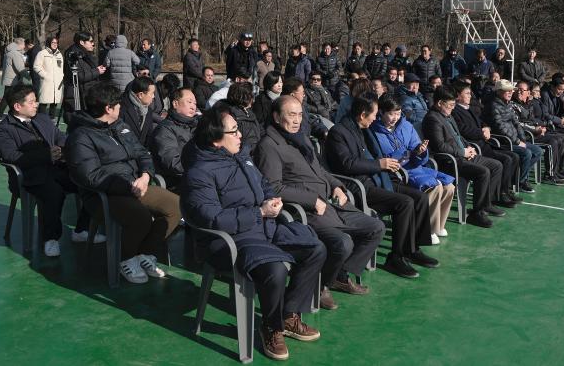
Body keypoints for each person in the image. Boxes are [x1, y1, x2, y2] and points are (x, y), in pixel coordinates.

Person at [181, 105, 325, 360]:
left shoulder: (242, 157)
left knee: (314, 248)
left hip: (264, 228)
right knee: (275, 268)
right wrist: (259, 213)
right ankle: (270, 327)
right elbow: (212, 219)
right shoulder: (199, 173)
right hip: (230, 242)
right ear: (216, 141)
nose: (240, 136)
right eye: (234, 131)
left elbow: (265, 184)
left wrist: (272, 201)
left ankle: (288, 315)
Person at [255, 95, 385, 308]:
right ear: (277, 117)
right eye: (291, 115)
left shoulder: (302, 138)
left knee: (376, 227)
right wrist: (311, 200)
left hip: (330, 202)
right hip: (306, 212)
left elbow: (320, 170)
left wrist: (336, 185)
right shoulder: (269, 146)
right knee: (343, 242)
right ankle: (322, 284)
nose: (297, 120)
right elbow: (273, 187)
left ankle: (338, 276)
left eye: (299, 114)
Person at [66, 82, 181, 283]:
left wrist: (145, 175)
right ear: (108, 109)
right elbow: (90, 176)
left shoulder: (120, 126)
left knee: (176, 206)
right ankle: (125, 259)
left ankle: (144, 253)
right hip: (105, 195)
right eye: (118, 105)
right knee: (141, 217)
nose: (121, 108)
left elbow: (142, 153)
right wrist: (129, 187)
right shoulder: (81, 136)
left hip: (136, 184)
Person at [325, 96, 441, 277]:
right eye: (373, 114)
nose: (375, 118)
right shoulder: (339, 133)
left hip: (377, 179)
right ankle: (395, 257)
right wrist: (380, 165)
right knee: (404, 203)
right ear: (362, 115)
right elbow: (347, 164)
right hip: (360, 186)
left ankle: (411, 249)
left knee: (420, 198)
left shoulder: (363, 129)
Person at [0, 86, 98, 257]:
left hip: (57, 168)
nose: (37, 104)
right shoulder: (4, 129)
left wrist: (62, 149)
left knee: (88, 182)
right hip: (29, 176)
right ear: (17, 106)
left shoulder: (42, 118)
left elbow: (59, 136)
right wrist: (46, 155)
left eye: (36, 100)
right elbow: (10, 156)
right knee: (54, 192)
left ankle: (81, 230)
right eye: (32, 102)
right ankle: (50, 239)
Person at [370, 94, 455, 243]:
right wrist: (407, 154)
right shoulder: (373, 131)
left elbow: (417, 153)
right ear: (381, 112)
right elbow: (383, 157)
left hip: (415, 167)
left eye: (398, 113)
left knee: (449, 186)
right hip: (399, 172)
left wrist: (420, 151)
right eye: (391, 114)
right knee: (435, 187)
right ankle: (427, 229)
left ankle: (437, 226)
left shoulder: (406, 126)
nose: (395, 117)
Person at [422, 87, 505, 227]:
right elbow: (440, 147)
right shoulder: (432, 119)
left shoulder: (448, 116)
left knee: (496, 165)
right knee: (483, 172)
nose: (452, 108)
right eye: (450, 105)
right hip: (450, 161)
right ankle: (476, 213)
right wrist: (463, 152)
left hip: (463, 154)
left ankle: (486, 204)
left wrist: (469, 148)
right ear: (439, 103)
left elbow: (458, 136)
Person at [451, 83, 522, 208]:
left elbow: (481, 122)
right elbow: (463, 130)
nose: (470, 96)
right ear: (458, 96)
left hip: (485, 144)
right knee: (505, 160)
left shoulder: (469, 108)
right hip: (476, 146)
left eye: (470, 93)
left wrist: (486, 128)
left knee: (513, 157)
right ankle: (496, 197)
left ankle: (503, 191)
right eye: (467, 93)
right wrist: (482, 133)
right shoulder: (456, 111)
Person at [486, 79, 544, 193]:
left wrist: (522, 139)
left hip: (514, 139)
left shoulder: (507, 104)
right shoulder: (493, 106)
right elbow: (501, 128)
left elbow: (517, 124)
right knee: (526, 153)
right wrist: (517, 142)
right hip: (502, 142)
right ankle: (521, 181)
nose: (510, 93)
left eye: (511, 90)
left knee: (538, 151)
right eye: (506, 91)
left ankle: (518, 178)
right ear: (498, 92)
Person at [151, 86, 198, 190]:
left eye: (195, 103)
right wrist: (201, 169)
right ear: (175, 104)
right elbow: (173, 163)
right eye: (189, 102)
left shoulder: (196, 126)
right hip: (178, 183)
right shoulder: (165, 130)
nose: (193, 107)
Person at [62, 31, 106, 125]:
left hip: (86, 94)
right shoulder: (72, 54)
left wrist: (96, 70)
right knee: (77, 124)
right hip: (76, 96)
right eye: (90, 41)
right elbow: (78, 76)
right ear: (82, 42)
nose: (93, 43)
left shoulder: (85, 53)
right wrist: (96, 71)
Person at [224, 81, 264, 152]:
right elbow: (248, 141)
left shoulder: (248, 111)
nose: (253, 98)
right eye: (250, 95)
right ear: (242, 97)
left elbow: (258, 130)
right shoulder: (233, 116)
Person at [0, 38, 27, 121]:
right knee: (8, 98)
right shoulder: (15, 53)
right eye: (24, 44)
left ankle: (6, 114)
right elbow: (20, 67)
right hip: (13, 80)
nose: (24, 46)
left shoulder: (10, 51)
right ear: (20, 44)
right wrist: (29, 77)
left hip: (10, 79)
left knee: (10, 97)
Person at [119, 77, 157, 148]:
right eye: (152, 93)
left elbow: (149, 136)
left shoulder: (148, 111)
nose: (153, 96)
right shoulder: (121, 109)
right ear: (140, 95)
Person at [33, 36, 64, 120]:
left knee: (54, 102)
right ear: (49, 43)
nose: (55, 44)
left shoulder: (59, 54)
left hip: (57, 82)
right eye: (53, 42)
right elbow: (36, 66)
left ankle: (51, 119)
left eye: (56, 43)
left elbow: (61, 68)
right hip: (47, 82)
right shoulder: (42, 53)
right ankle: (40, 119)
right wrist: (45, 75)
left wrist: (62, 77)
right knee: (44, 101)